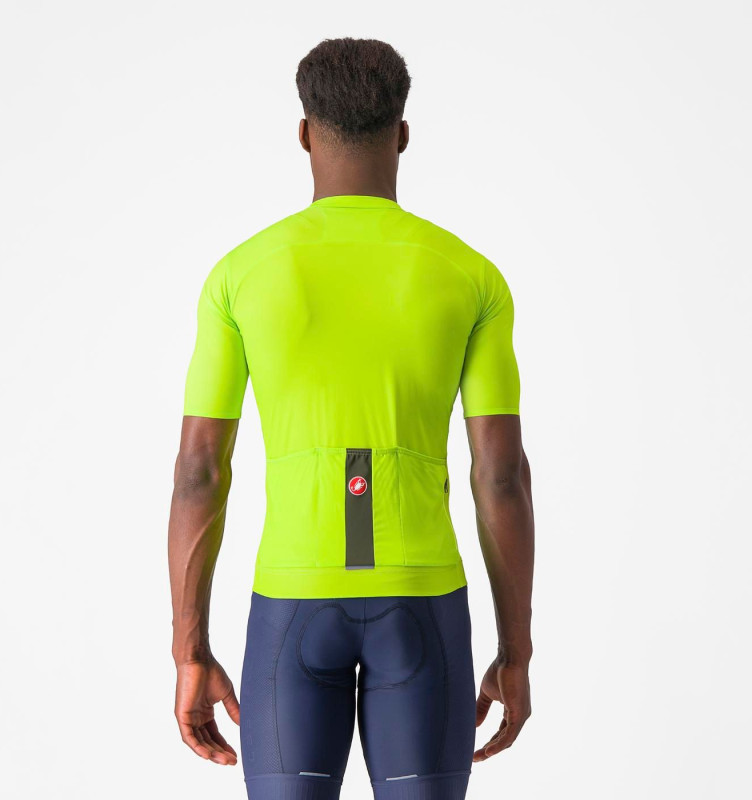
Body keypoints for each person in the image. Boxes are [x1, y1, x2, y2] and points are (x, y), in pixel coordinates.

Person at [167, 37, 534, 800]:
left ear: (305, 133)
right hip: (422, 603)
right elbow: (501, 475)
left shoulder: (240, 275)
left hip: (290, 604)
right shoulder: (470, 276)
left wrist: (189, 651)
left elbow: (199, 473)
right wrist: (516, 651)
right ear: (403, 133)